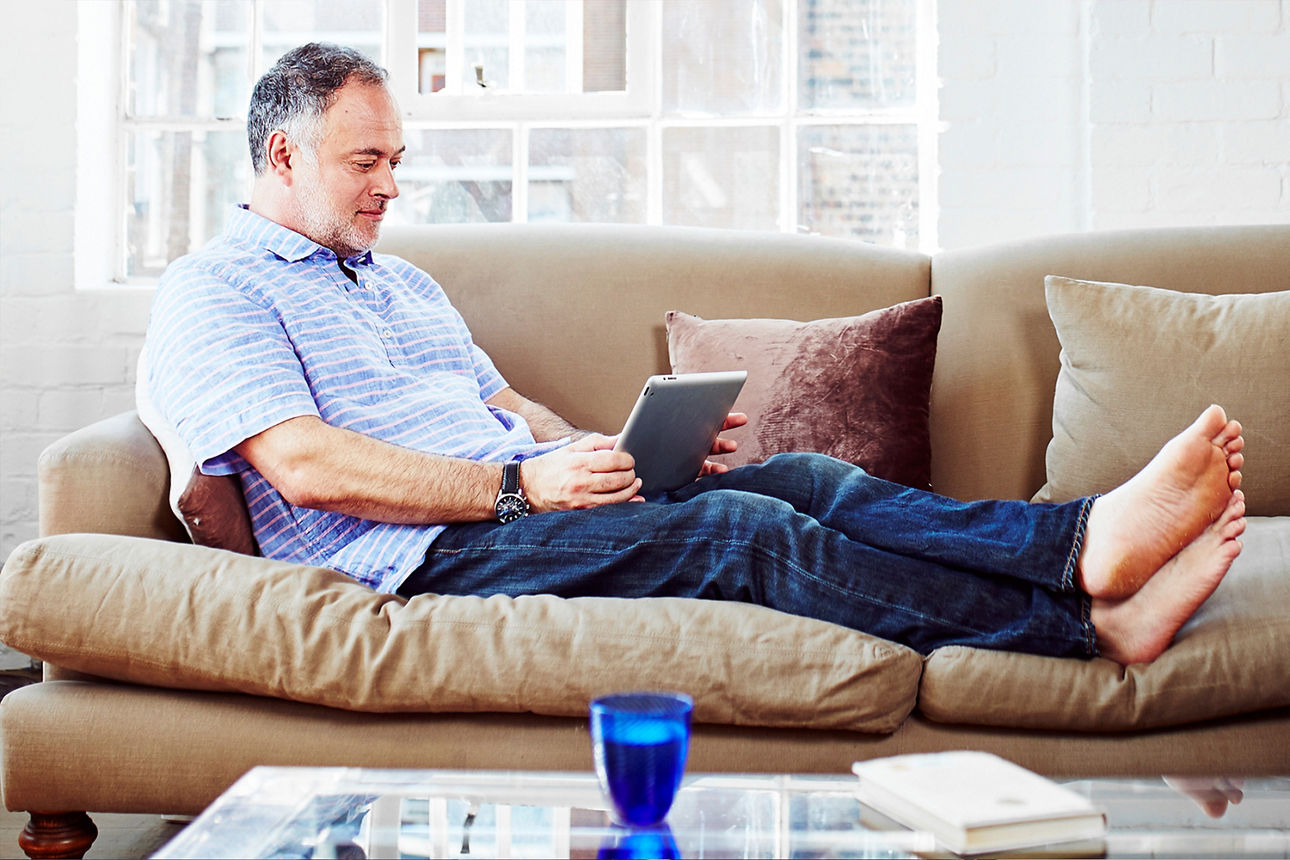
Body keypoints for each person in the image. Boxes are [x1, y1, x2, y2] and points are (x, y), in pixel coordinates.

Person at [143, 43, 1247, 669]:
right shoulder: (214, 290)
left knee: (799, 475)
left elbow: (502, 402)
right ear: (282, 154)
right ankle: (1085, 625)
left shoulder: (399, 278)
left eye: (398, 158)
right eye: (365, 160)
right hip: (426, 552)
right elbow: (301, 464)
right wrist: (520, 488)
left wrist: (606, 451)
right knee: (742, 531)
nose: (391, 183)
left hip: (517, 501)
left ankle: (1081, 539)